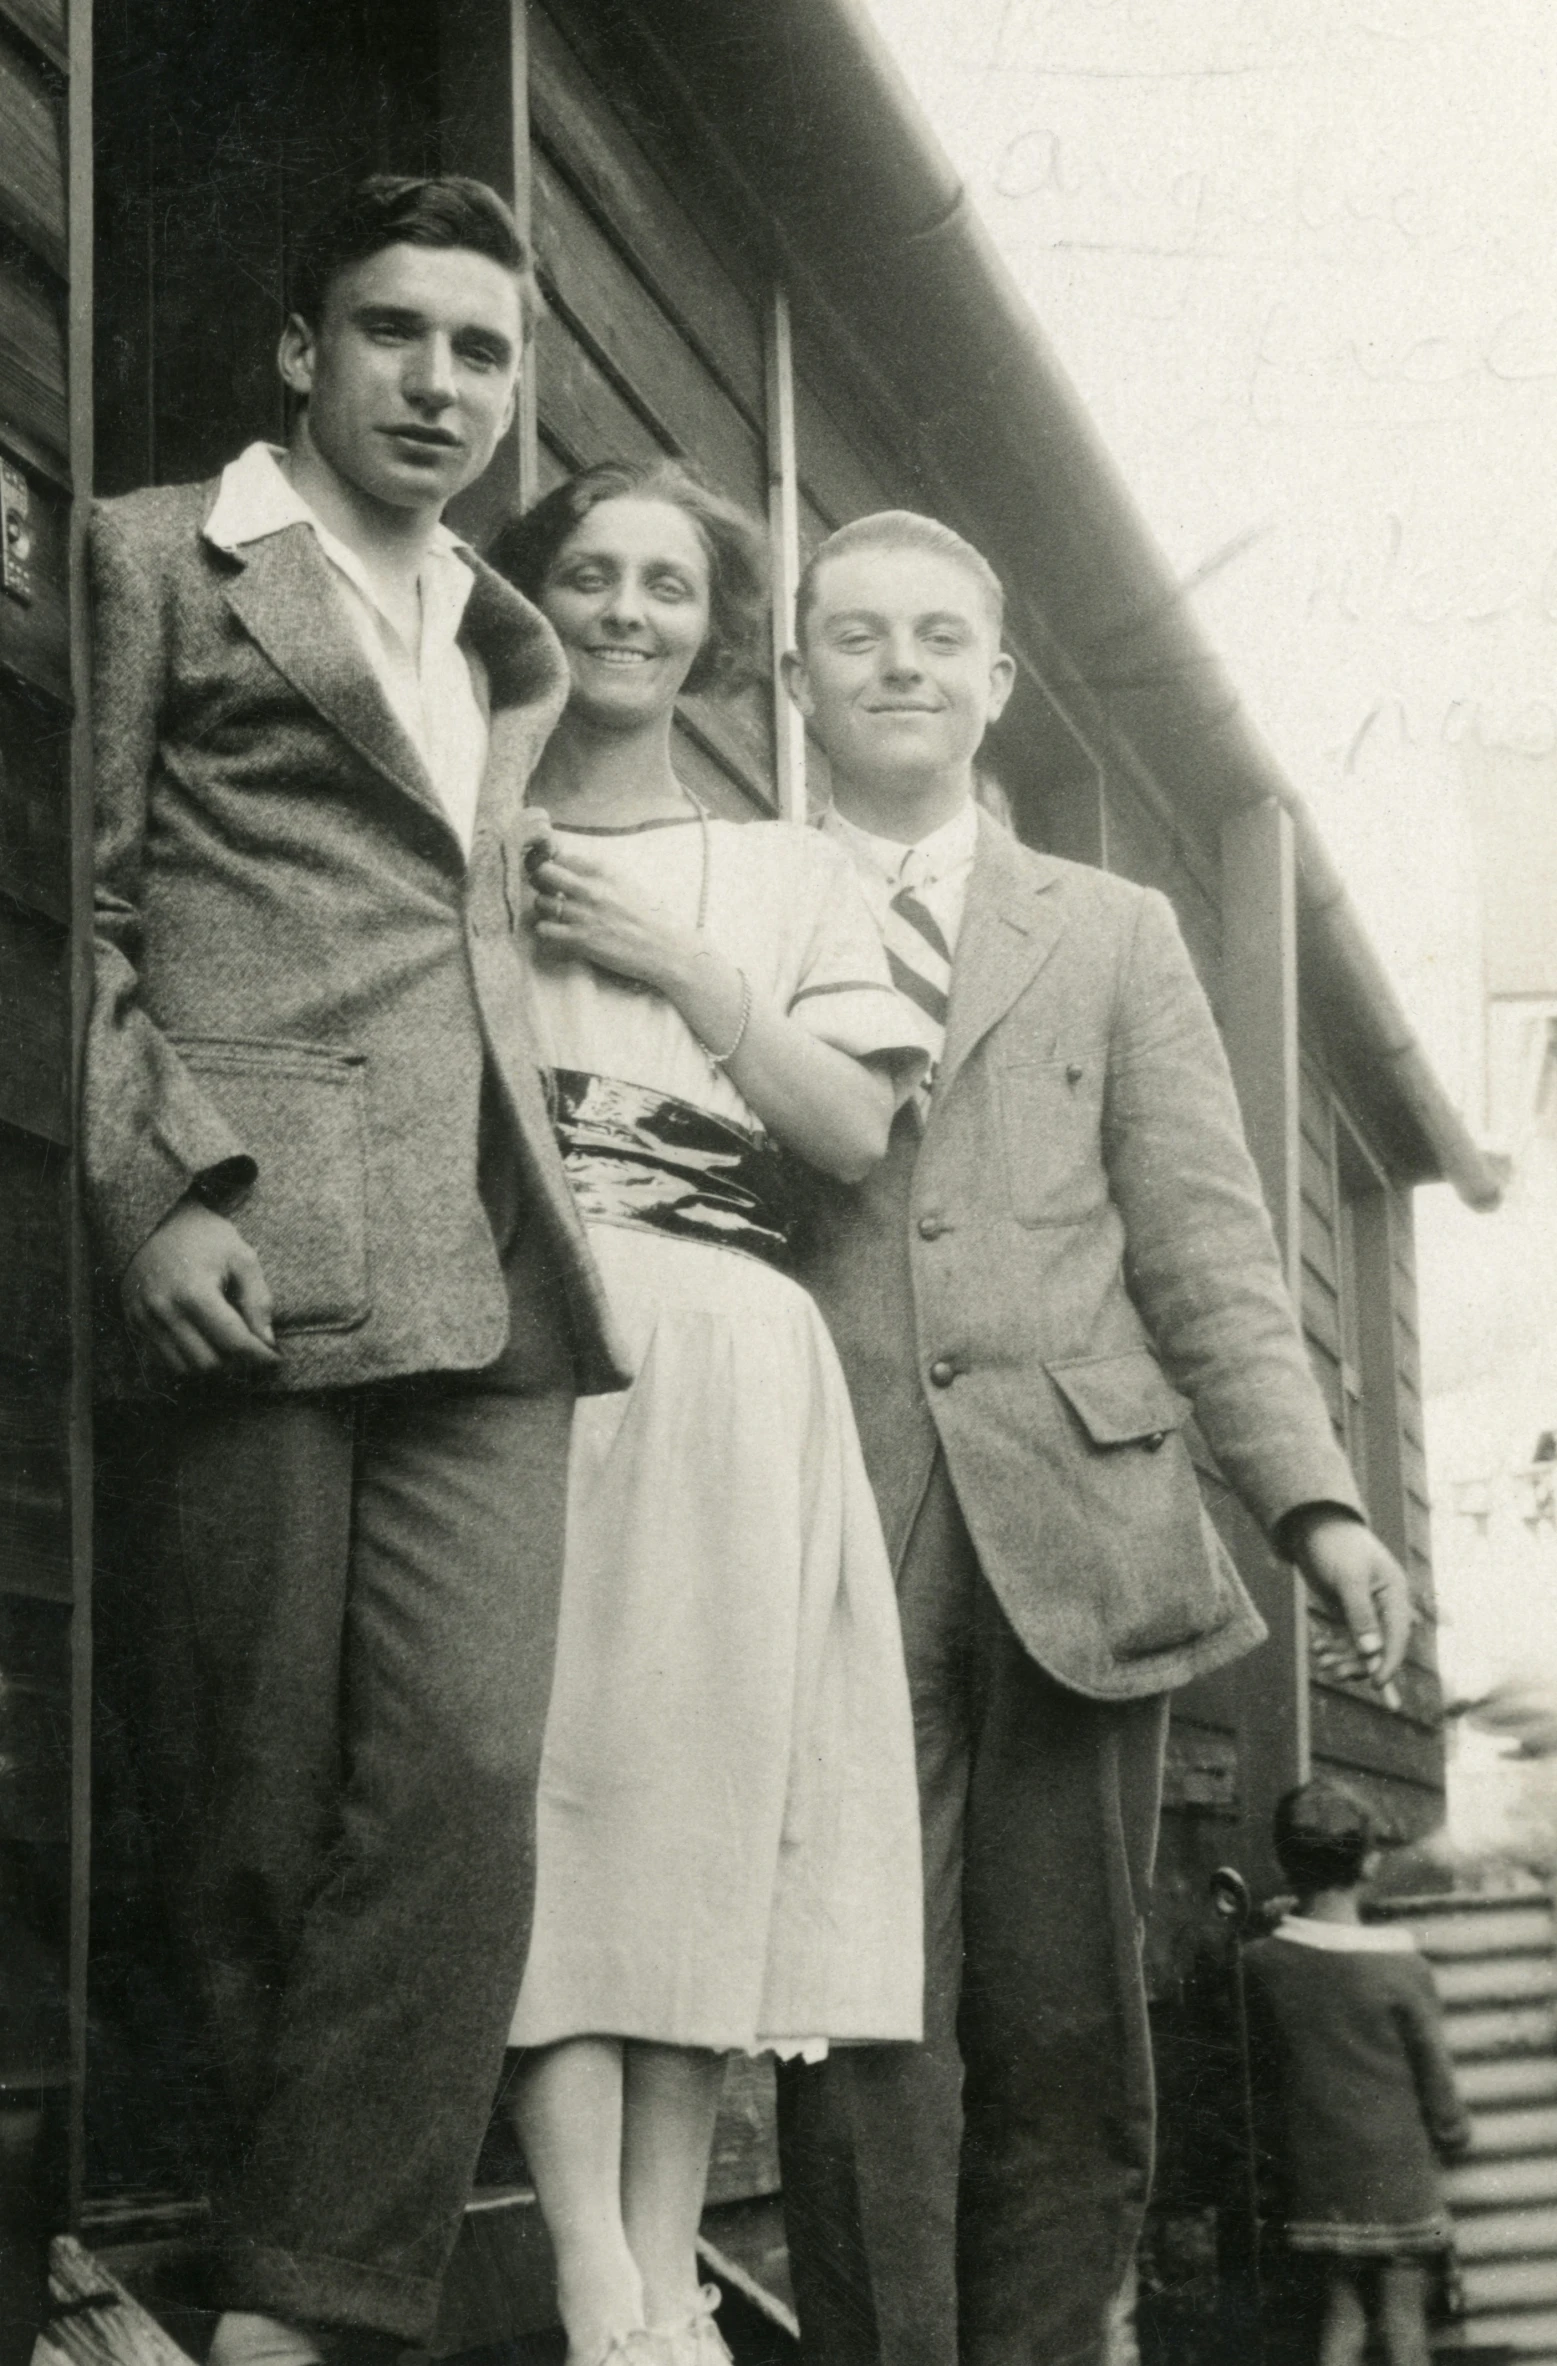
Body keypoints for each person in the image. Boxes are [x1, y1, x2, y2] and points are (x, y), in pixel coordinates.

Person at [772, 510, 1418, 2366]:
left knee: (1068, 2018)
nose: (897, 664)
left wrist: (1311, 1501)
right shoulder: (743, 891)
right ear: (797, 673)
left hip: (1082, 1525)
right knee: (859, 2004)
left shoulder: (1113, 930)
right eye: (854, 633)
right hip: (831, 1515)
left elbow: (1209, 1238)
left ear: (996, 682)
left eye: (937, 637)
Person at [85, 177, 628, 2366]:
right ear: (298, 349)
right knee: (242, 1802)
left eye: (480, 350)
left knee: (468, 1780)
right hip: (256, 1244)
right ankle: (272, 2252)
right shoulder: (153, 556)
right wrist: (157, 1189)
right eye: (393, 333)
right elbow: (73, 904)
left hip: (489, 1262)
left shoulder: (512, 634)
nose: (439, 384)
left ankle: (302, 2311)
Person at [484, 461, 926, 2366]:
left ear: (715, 634)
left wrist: (671, 960)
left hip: (729, 1348)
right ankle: (591, 2262)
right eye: (585, 575)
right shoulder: (463, 828)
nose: (625, 614)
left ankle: (657, 2275)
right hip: (514, 1331)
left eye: (667, 586)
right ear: (527, 602)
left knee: (686, 1810)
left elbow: (847, 1133)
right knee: (545, 1790)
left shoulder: (792, 871)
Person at [1244, 1782, 1471, 2366]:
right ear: (1370, 1863)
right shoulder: (1402, 1967)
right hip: (1398, 2186)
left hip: (1318, 2186)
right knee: (1403, 2323)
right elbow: (1436, 2080)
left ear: (1284, 1862)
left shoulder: (1263, 1964)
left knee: (1340, 2320)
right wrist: (1453, 2136)